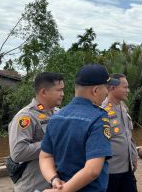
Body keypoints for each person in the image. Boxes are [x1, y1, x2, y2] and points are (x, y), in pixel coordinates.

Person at [39, 64, 120, 192]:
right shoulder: (98, 118)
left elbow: (45, 156)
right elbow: (93, 170)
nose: (107, 92)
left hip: (60, 186)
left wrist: (54, 180)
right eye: (106, 87)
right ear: (95, 90)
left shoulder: (56, 116)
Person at [7, 72, 64, 192]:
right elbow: (18, 153)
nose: (62, 94)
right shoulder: (26, 117)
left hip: (54, 183)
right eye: (58, 90)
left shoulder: (58, 113)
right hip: (33, 186)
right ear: (43, 92)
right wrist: (52, 143)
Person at [102, 73, 138, 192]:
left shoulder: (123, 107)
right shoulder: (102, 110)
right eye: (125, 87)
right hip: (110, 171)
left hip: (127, 168)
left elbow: (129, 136)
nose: (128, 90)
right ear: (112, 88)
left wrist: (134, 157)